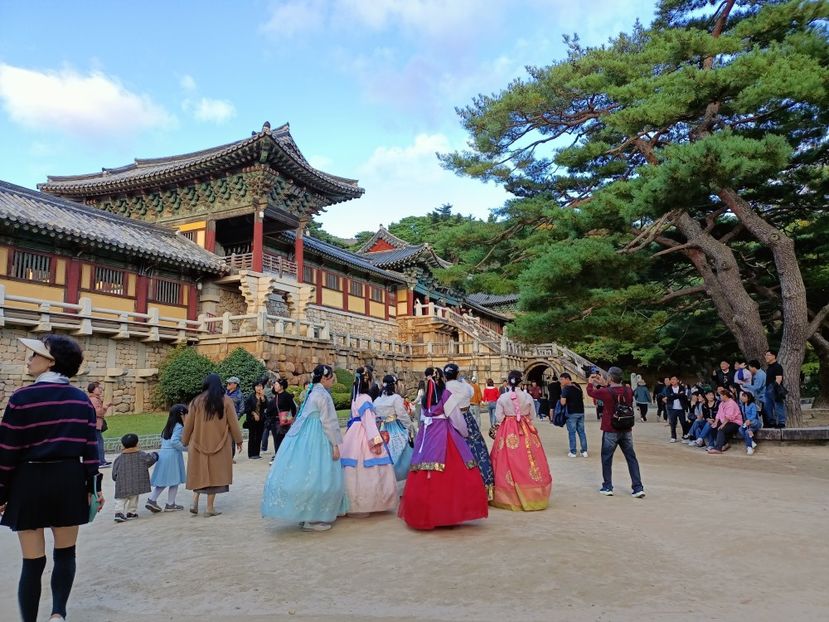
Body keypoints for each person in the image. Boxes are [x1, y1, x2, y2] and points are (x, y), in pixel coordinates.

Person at [0, 336, 104, 622]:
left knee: (32, 563)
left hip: (29, 480)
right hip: (68, 479)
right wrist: (93, 487)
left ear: (51, 361)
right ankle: (58, 613)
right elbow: (90, 447)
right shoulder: (81, 400)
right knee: (66, 553)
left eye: (35, 354)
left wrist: (1, 493)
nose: (29, 358)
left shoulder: (21, 398)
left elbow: (7, 450)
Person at [398, 367, 489, 530]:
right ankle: (446, 513)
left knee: (425, 474)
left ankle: (425, 512)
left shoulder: (426, 397)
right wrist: (464, 432)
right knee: (451, 473)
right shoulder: (446, 395)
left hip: (427, 436)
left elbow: (422, 418)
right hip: (445, 435)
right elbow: (456, 418)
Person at [261, 364, 348, 532]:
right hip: (319, 436)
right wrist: (335, 444)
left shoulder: (310, 393)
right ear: (323, 378)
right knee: (319, 475)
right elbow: (329, 422)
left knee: (306, 473)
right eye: (331, 378)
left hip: (305, 436)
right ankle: (314, 517)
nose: (332, 381)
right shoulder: (323, 395)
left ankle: (304, 515)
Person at [182, 373, 244, 517]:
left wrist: (185, 441)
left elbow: (188, 425)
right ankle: (209, 507)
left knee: (199, 472)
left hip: (198, 443)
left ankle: (194, 501)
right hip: (220, 444)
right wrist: (238, 440)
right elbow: (233, 422)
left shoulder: (196, 402)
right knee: (215, 475)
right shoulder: (226, 401)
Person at [491, 370, 553, 511]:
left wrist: (509, 420)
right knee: (529, 458)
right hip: (525, 428)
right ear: (521, 381)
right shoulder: (527, 397)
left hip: (507, 429)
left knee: (504, 459)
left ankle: (507, 496)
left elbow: (499, 416)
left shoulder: (503, 397)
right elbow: (532, 415)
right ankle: (532, 493)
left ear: (508, 381)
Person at [340, 367, 397, 516]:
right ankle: (367, 503)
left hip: (353, 433)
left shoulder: (355, 398)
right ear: (368, 381)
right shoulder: (365, 398)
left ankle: (352, 503)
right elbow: (369, 422)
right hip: (364, 432)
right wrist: (375, 442)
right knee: (370, 466)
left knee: (353, 467)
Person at [586, 367, 646, 498]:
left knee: (607, 458)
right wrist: (604, 383)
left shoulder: (605, 392)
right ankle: (638, 487)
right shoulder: (628, 390)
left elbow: (591, 392)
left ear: (610, 378)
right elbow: (616, 390)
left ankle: (607, 486)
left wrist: (591, 382)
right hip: (626, 428)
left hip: (610, 428)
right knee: (631, 458)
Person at [444, 364, 495, 497]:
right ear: (457, 374)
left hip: (449, 421)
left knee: (451, 452)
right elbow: (471, 393)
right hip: (467, 418)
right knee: (477, 449)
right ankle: (483, 485)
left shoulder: (444, 388)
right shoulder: (466, 386)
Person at [146, 404, 188, 513]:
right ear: (181, 414)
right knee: (175, 480)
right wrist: (187, 449)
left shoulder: (169, 425)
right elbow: (174, 441)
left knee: (164, 480)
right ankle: (170, 504)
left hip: (164, 454)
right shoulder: (179, 426)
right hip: (172, 456)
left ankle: (152, 499)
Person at [374, 374, 414, 481]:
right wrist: (409, 427)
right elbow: (402, 415)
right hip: (396, 427)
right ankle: (402, 477)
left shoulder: (377, 400)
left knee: (387, 452)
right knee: (403, 451)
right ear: (394, 385)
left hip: (383, 429)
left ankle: (387, 478)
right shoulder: (396, 398)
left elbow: (376, 418)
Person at [111, 433, 158, 523]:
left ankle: (119, 513)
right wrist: (155, 455)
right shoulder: (141, 455)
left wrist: (115, 478)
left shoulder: (119, 458)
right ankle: (131, 512)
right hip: (136, 483)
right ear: (137, 444)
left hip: (122, 484)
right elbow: (150, 459)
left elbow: (114, 473)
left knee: (121, 499)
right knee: (134, 498)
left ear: (123, 445)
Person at [266, 378, 297, 464]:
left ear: (282, 386)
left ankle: (282, 457)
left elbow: (293, 408)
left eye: (276, 384)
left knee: (282, 439)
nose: (274, 386)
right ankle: (278, 456)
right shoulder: (276, 396)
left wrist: (291, 418)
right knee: (276, 440)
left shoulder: (286, 396)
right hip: (275, 421)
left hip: (283, 422)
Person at [706, 387, 743, 454]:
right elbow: (718, 414)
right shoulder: (722, 403)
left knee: (721, 429)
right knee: (713, 427)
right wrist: (716, 422)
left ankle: (718, 448)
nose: (719, 397)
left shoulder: (731, 403)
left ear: (725, 396)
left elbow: (729, 417)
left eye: (721, 395)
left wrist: (722, 425)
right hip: (726, 421)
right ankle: (724, 444)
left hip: (735, 422)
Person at [560, 373, 588, 458]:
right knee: (582, 432)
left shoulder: (566, 389)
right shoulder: (577, 386)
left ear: (567, 379)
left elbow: (563, 402)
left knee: (572, 433)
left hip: (571, 413)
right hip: (581, 412)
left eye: (561, 379)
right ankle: (584, 451)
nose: (560, 381)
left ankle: (573, 452)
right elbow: (582, 396)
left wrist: (562, 396)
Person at [87, 381, 113, 468]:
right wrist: (105, 408)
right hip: (95, 424)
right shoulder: (94, 400)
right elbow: (98, 412)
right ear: (93, 390)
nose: (100, 390)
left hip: (95, 424)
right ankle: (100, 462)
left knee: (98, 442)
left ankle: (101, 460)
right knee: (99, 442)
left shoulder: (93, 399)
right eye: (98, 388)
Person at [243, 380, 268, 460]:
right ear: (254, 387)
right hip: (252, 420)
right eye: (257, 386)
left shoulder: (264, 397)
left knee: (259, 436)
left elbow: (266, 406)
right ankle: (251, 454)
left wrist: (263, 398)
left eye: (260, 386)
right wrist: (253, 413)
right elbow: (246, 408)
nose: (259, 388)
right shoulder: (251, 397)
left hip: (261, 420)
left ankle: (257, 453)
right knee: (252, 436)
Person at [664, 376, 690, 443]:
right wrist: (678, 395)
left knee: (683, 423)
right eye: (671, 379)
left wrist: (673, 395)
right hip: (672, 408)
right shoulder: (668, 388)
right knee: (672, 423)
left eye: (674, 379)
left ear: (677, 380)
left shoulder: (682, 387)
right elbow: (669, 397)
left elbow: (683, 396)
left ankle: (685, 436)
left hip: (681, 408)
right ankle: (673, 437)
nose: (672, 381)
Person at [764, 350, 786, 428]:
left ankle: (781, 422)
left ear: (773, 356)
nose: (766, 356)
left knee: (778, 406)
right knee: (768, 407)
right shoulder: (769, 367)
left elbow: (779, 379)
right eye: (765, 355)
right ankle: (772, 422)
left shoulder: (778, 366)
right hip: (767, 389)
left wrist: (774, 389)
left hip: (774, 389)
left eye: (768, 355)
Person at [738, 391, 761, 455]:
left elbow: (754, 415)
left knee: (747, 432)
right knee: (740, 429)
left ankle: (749, 447)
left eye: (744, 396)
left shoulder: (753, 405)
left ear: (749, 398)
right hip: (747, 423)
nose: (742, 397)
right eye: (742, 396)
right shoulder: (743, 405)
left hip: (754, 422)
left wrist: (749, 420)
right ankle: (751, 442)